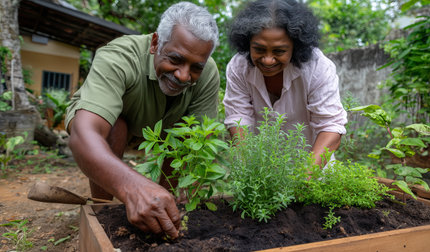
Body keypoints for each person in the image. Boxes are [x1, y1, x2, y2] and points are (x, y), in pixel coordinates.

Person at [65, 2, 220, 239]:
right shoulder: (119, 56)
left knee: (187, 133)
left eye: (195, 67)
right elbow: (85, 135)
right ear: (156, 43)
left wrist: (175, 195)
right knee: (115, 126)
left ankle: (163, 211)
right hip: (114, 127)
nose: (183, 75)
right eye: (176, 59)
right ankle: (101, 212)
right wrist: (133, 187)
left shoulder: (208, 73)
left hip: (163, 130)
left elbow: (196, 141)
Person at [223, 0, 347, 166]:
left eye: (279, 51)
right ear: (247, 43)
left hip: (314, 172)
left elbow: (330, 126)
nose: (267, 60)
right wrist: (249, 171)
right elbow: (239, 119)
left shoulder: (318, 68)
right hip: (261, 175)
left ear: (295, 47)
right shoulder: (239, 67)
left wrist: (305, 177)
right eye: (259, 49)